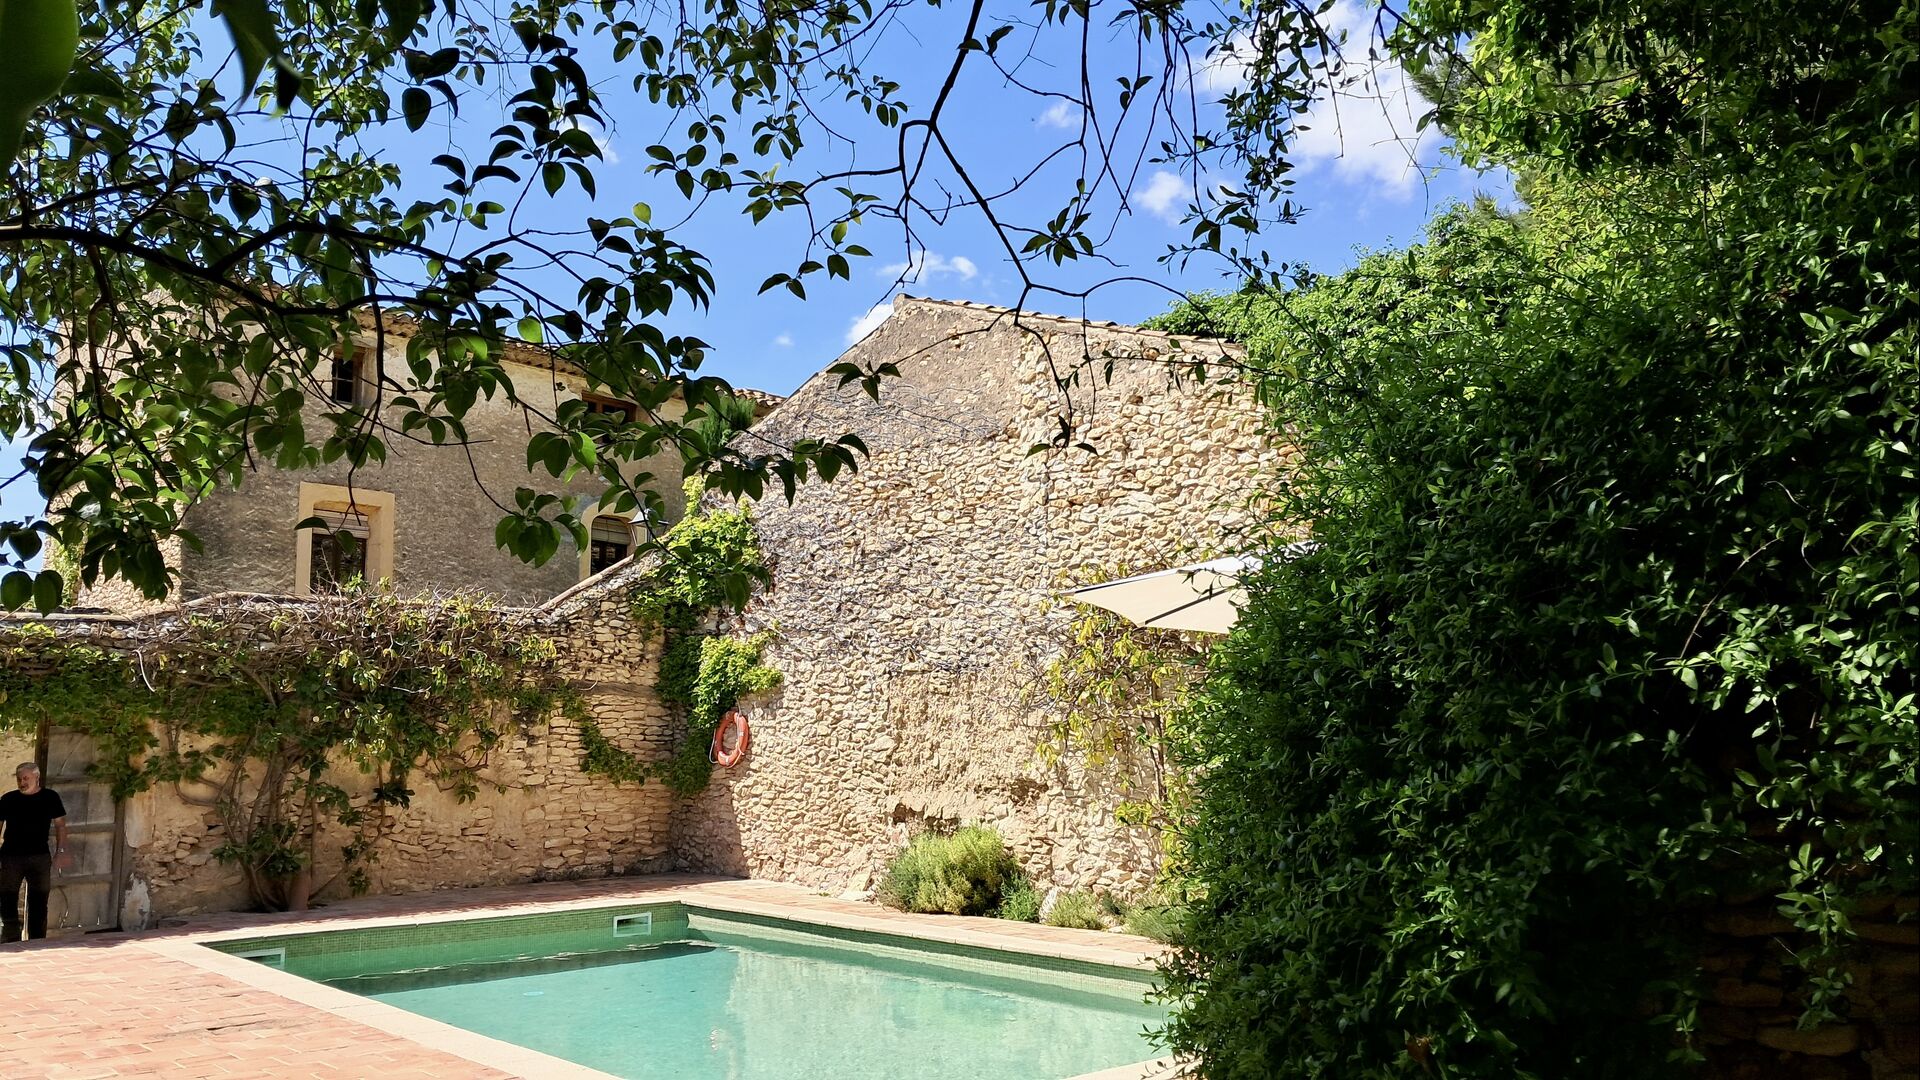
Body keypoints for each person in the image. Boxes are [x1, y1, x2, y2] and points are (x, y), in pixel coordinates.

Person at [0, 762, 69, 943]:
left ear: (36, 777)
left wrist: (61, 851)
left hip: (39, 857)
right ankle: (11, 939)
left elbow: (60, 825)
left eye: (26, 778)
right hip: (11, 856)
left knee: (39, 901)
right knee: (7, 898)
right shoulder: (8, 799)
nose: (22, 782)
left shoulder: (50, 797)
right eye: (19, 779)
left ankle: (37, 942)